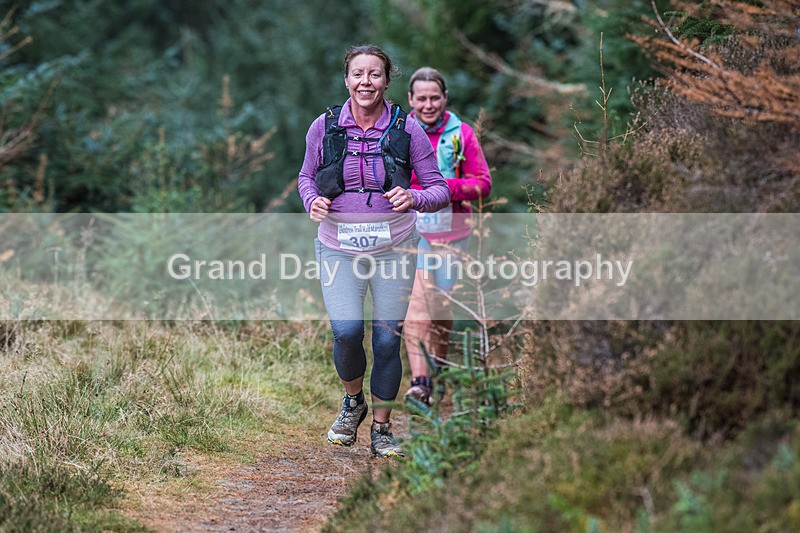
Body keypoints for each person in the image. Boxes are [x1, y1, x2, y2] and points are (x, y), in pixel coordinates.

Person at [297, 46, 450, 458]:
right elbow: (306, 176)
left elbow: (439, 188)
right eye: (358, 74)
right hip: (338, 247)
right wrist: (312, 200)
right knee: (346, 331)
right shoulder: (325, 126)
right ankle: (353, 402)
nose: (366, 82)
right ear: (346, 80)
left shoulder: (406, 128)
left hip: (395, 248)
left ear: (387, 80)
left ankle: (382, 428)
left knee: (386, 340)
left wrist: (414, 197)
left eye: (375, 75)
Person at [402, 67, 492, 405]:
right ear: (411, 99)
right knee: (418, 302)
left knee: (441, 305)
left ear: (444, 98)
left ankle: (437, 369)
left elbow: (483, 184)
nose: (428, 105)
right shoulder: (401, 133)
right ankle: (419, 381)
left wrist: (442, 189)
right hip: (413, 234)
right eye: (421, 98)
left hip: (454, 235)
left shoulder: (462, 134)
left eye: (434, 97)